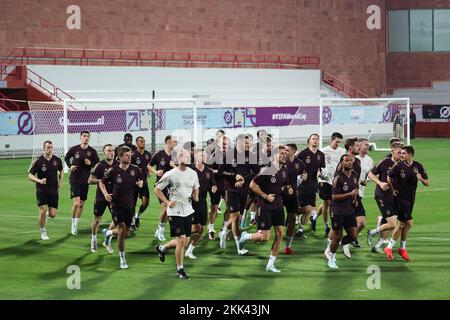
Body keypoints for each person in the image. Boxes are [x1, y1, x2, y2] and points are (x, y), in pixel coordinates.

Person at [154, 149, 200, 279]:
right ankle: (180, 270)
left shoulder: (193, 174)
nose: (186, 158)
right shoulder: (171, 174)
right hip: (175, 212)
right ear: (178, 159)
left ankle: (163, 248)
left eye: (187, 156)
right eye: (183, 156)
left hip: (188, 210)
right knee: (181, 240)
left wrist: (196, 195)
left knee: (185, 241)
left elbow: (196, 188)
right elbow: (157, 189)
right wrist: (167, 202)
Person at [99, 146, 144, 269]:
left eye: (130, 156)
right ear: (120, 157)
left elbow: (140, 182)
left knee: (127, 233)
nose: (129, 158)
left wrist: (140, 184)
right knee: (122, 229)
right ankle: (122, 259)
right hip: (116, 204)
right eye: (126, 156)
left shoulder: (135, 169)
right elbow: (101, 182)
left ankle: (108, 233)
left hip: (130, 205)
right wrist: (106, 194)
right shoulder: (113, 171)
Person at [250, 145, 291, 272]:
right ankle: (246, 236)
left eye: (285, 153)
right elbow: (252, 185)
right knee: (264, 238)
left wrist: (287, 189)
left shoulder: (284, 170)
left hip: (278, 206)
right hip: (265, 206)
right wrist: (265, 196)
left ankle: (270, 264)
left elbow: (284, 185)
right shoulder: (266, 169)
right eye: (281, 153)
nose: (284, 155)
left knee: (279, 234)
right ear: (274, 155)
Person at [384, 145, 429, 260]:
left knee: (405, 224)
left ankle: (401, 248)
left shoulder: (418, 166)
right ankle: (391, 248)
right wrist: (392, 190)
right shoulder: (398, 166)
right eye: (401, 153)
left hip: (411, 199)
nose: (401, 155)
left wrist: (420, 178)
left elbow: (427, 182)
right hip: (400, 198)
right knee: (406, 222)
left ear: (410, 154)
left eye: (404, 153)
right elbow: (389, 177)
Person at [219, 134, 261, 254]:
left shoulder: (250, 156)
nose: (248, 145)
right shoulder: (228, 155)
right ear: (238, 142)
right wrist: (234, 176)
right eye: (246, 143)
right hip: (231, 190)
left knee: (237, 217)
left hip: (244, 190)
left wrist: (243, 179)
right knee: (236, 217)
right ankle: (239, 247)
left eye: (249, 143)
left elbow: (256, 172)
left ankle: (224, 231)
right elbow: (221, 172)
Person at [366, 142, 404, 250]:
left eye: (402, 153)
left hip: (395, 197)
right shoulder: (384, 162)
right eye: (398, 153)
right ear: (392, 152)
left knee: (389, 222)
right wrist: (380, 183)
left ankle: (378, 245)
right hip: (382, 195)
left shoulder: (402, 164)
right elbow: (370, 174)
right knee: (392, 224)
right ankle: (372, 232)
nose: (400, 155)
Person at [325, 154, 359, 269]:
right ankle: (332, 259)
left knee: (353, 236)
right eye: (346, 161)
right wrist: (349, 194)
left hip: (349, 209)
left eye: (350, 161)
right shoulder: (338, 177)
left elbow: (355, 189)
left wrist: (355, 199)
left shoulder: (355, 175)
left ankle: (333, 247)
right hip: (337, 210)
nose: (349, 162)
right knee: (338, 235)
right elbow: (334, 197)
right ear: (341, 163)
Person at [64, 131, 100, 236]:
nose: (86, 138)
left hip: (85, 180)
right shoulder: (75, 149)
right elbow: (66, 158)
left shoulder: (92, 151)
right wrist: (70, 166)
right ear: (80, 137)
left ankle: (76, 222)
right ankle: (73, 223)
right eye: (84, 136)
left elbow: (98, 165)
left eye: (88, 136)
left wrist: (91, 163)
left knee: (81, 204)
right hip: (74, 179)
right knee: (76, 202)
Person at [185, 149, 217, 259]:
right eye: (201, 155)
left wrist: (213, 188)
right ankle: (181, 236)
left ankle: (189, 250)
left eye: (205, 155)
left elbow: (213, 185)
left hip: (203, 202)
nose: (204, 156)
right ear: (196, 157)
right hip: (190, 203)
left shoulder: (209, 171)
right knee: (195, 228)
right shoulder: (190, 170)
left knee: (202, 229)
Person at [28, 141, 63, 240]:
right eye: (48, 147)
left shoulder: (57, 160)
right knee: (42, 210)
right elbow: (30, 175)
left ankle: (46, 215)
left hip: (53, 190)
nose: (50, 149)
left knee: (53, 214)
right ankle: (43, 232)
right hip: (41, 190)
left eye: (51, 147)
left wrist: (60, 180)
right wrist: (39, 180)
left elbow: (61, 170)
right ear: (44, 148)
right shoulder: (38, 161)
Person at [314, 132, 345, 236]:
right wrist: (319, 174)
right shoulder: (323, 151)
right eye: (336, 142)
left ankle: (314, 218)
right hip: (325, 181)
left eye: (339, 143)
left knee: (328, 203)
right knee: (328, 204)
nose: (338, 144)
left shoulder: (342, 151)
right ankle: (327, 226)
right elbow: (317, 166)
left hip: (336, 181)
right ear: (331, 140)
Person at [88, 144, 118, 253]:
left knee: (116, 220)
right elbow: (90, 180)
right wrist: (103, 180)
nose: (111, 152)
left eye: (113, 150)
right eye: (109, 151)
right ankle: (94, 239)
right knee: (97, 220)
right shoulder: (99, 165)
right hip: (101, 197)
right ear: (104, 153)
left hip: (114, 197)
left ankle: (107, 239)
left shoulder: (118, 164)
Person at [296, 134, 326, 237]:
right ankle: (293, 216)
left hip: (313, 184)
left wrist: (322, 174)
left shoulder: (321, 155)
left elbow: (322, 169)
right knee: (303, 208)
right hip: (301, 185)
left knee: (309, 208)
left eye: (317, 139)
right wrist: (299, 176)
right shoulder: (303, 153)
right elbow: (295, 166)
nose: (315, 141)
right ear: (309, 141)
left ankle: (301, 229)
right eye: (313, 139)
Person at [150, 135, 177, 241]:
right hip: (161, 186)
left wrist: (174, 166)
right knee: (166, 207)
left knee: (169, 209)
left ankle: (159, 228)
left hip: (172, 186)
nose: (176, 143)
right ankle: (161, 229)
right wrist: (156, 172)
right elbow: (149, 165)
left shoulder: (176, 155)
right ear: (168, 142)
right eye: (174, 141)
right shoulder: (159, 154)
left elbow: (181, 169)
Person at [283, 143, 306, 254]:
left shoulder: (300, 163)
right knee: (276, 218)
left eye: (287, 150)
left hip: (293, 194)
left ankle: (288, 246)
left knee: (292, 217)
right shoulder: (280, 161)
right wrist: (285, 187)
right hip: (279, 193)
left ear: (293, 151)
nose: (285, 152)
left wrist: (301, 179)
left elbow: (303, 175)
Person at [206, 135, 230, 240]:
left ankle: (223, 229)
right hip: (216, 184)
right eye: (223, 143)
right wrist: (220, 173)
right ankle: (211, 228)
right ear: (219, 144)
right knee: (214, 208)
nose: (225, 145)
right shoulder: (214, 155)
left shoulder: (231, 155)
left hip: (228, 185)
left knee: (230, 208)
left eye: (226, 144)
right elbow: (208, 170)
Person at [354, 138, 374, 248]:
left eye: (368, 145)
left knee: (361, 223)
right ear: (359, 146)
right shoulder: (352, 159)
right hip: (349, 194)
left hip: (360, 194)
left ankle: (351, 238)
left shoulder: (369, 160)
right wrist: (359, 181)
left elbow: (371, 174)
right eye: (365, 145)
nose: (368, 146)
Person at [131, 136, 152, 229]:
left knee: (145, 202)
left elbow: (148, 165)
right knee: (132, 203)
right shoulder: (132, 155)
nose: (143, 143)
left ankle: (137, 216)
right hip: (133, 183)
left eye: (144, 141)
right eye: (141, 141)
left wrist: (148, 172)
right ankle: (131, 221)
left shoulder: (148, 154)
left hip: (143, 182)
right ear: (137, 143)